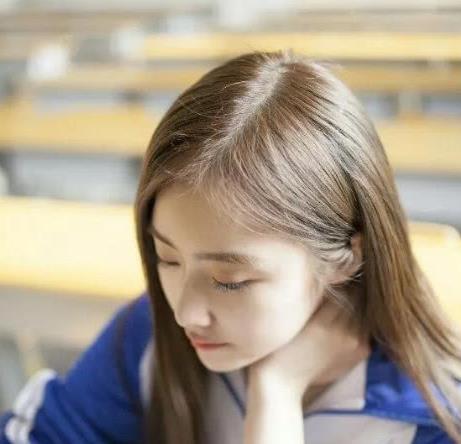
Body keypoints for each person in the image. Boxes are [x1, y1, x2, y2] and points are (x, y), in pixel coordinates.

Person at [1, 49, 461, 444]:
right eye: (168, 258)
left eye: (230, 280)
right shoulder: (149, 334)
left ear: (346, 254)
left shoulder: (432, 421)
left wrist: (276, 395)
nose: (186, 313)